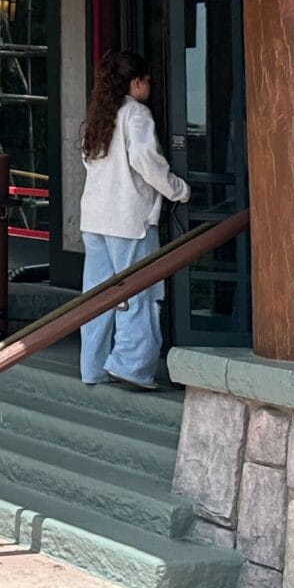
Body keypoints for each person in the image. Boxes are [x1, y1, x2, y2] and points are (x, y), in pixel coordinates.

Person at [76, 48, 188, 389]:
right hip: (128, 219)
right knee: (139, 292)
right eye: (147, 80)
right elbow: (145, 161)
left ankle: (92, 367)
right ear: (135, 82)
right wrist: (178, 190)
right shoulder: (136, 114)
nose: (150, 86)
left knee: (96, 297)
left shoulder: (99, 118)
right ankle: (131, 365)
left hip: (94, 218)